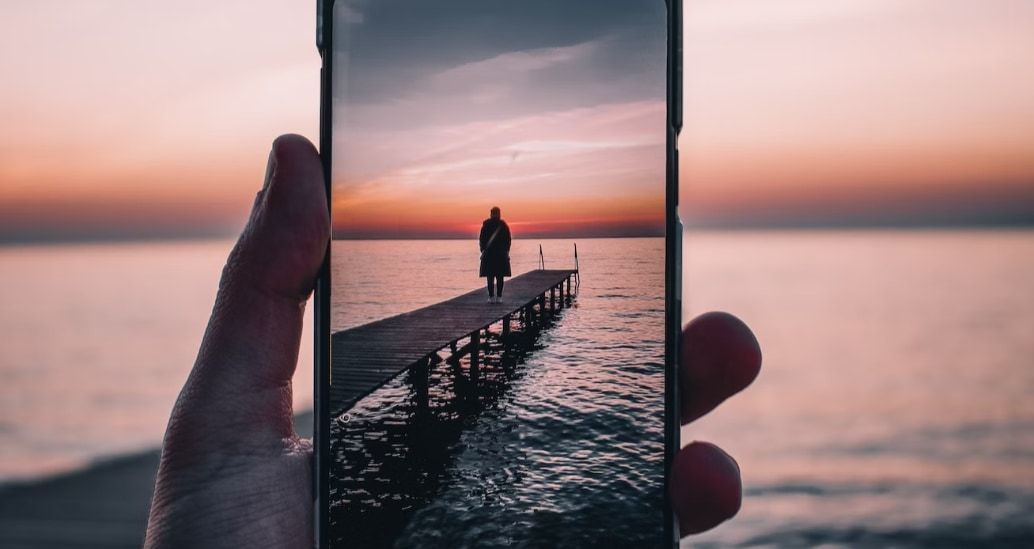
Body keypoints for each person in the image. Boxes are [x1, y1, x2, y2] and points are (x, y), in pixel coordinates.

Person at [144, 135, 762, 548]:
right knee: (495, 292)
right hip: (498, 268)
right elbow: (490, 240)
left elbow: (498, 240)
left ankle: (495, 302)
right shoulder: (493, 225)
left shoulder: (498, 225)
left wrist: (500, 250)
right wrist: (494, 249)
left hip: (501, 268)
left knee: (496, 291)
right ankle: (495, 303)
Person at [479, 206, 512, 303]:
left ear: (491, 214)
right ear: (499, 214)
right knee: (499, 276)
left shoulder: (486, 225)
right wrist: (506, 251)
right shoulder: (503, 225)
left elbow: (482, 240)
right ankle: (499, 297)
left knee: (490, 276)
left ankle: (491, 297)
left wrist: (483, 250)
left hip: (489, 254)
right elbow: (508, 240)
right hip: (500, 254)